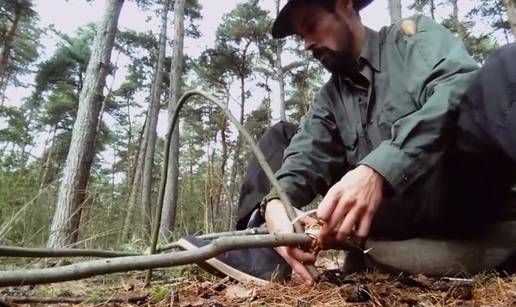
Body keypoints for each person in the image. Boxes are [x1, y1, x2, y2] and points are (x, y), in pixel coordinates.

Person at [179, 0, 516, 285]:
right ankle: (266, 247)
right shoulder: (330, 97)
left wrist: (376, 169)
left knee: (506, 65)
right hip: (392, 214)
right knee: (279, 138)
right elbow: (305, 153)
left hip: (456, 188)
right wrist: (275, 203)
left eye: (311, 25)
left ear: (344, 5)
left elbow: (456, 88)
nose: (307, 43)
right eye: (301, 36)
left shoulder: (412, 39)